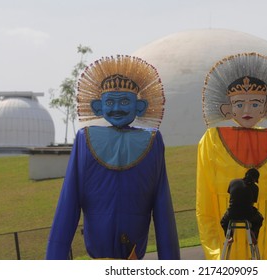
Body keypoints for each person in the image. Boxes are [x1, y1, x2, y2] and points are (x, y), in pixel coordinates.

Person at [46, 55, 180, 260]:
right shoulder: (85, 139)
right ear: (98, 106)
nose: (117, 108)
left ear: (140, 106)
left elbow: (163, 208)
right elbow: (68, 203)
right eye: (110, 102)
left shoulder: (152, 140)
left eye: (125, 101)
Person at [196, 52, 267, 260]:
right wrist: (214, 257)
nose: (247, 110)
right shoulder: (212, 140)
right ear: (227, 109)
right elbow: (204, 207)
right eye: (239, 104)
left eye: (255, 104)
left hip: (266, 249)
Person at [220, 168, 263, 244]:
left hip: (232, 213)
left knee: (223, 221)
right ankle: (253, 233)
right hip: (248, 214)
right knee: (259, 219)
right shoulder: (255, 188)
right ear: (255, 179)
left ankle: (229, 237)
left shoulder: (233, 182)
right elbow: (252, 203)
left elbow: (232, 196)